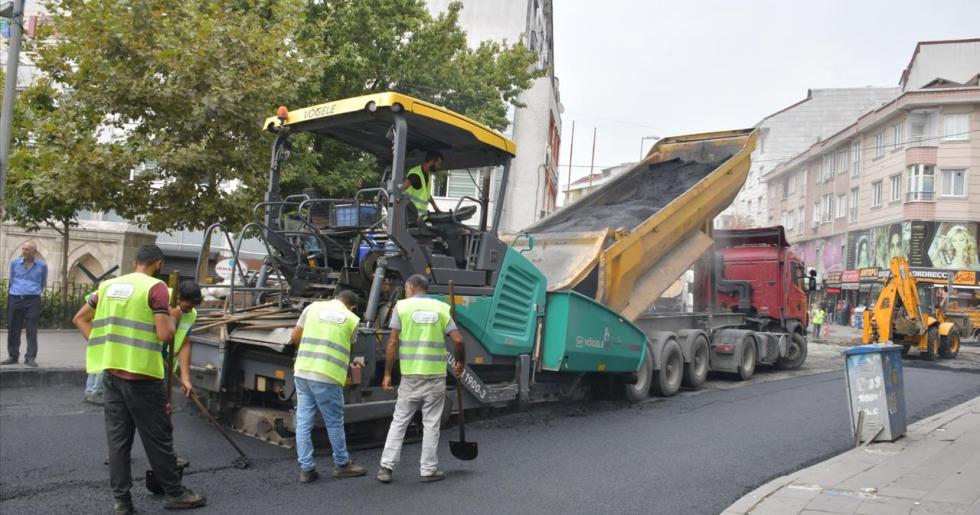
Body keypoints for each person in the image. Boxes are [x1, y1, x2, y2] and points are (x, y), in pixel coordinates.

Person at [72, 245, 205, 514]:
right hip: (143, 376)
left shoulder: (108, 287)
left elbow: (80, 318)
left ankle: (122, 501)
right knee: (157, 437)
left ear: (135, 262)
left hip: (112, 374)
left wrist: (104, 345)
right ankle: (174, 493)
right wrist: (170, 317)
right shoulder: (156, 288)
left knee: (118, 441)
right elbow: (165, 335)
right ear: (158, 263)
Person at [377, 274, 465, 484]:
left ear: (409, 288)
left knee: (399, 421)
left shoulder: (402, 307)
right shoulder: (441, 308)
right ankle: (428, 470)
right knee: (431, 423)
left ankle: (386, 468)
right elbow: (458, 340)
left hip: (410, 376)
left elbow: (392, 343)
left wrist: (388, 373)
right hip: (435, 376)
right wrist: (460, 363)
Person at [289, 290, 367, 483]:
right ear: (353, 306)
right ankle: (342, 465)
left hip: (303, 371)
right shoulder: (351, 319)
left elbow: (295, 336)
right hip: (328, 376)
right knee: (333, 422)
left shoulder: (313, 307)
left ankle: (306, 469)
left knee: (304, 421)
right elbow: (350, 348)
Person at [3, 241, 48, 367]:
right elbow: (11, 279)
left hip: (32, 300)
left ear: (34, 251)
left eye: (27, 250)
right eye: (23, 249)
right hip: (16, 298)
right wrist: (16, 292)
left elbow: (43, 282)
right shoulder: (14, 263)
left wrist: (33, 291)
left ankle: (30, 357)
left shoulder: (42, 265)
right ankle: (13, 356)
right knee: (13, 328)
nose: (24, 251)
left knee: (31, 329)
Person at [402, 151, 445, 222]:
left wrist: (435, 207)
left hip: (421, 217)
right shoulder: (416, 174)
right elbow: (401, 189)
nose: (439, 167)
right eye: (438, 164)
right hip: (411, 218)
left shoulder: (428, 174)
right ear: (432, 161)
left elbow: (427, 194)